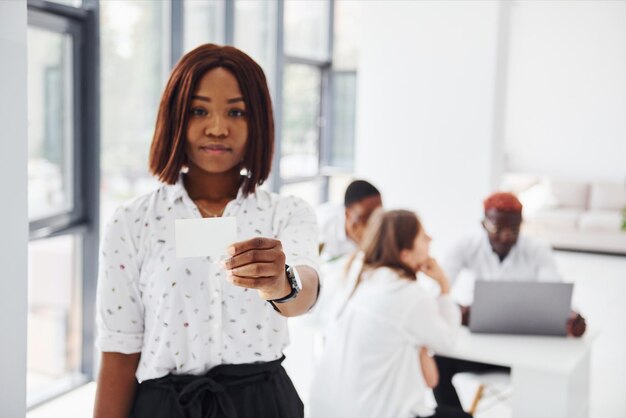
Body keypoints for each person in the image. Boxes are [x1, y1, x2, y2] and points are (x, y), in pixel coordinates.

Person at [93, 44, 320, 418]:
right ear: (175, 117)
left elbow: (305, 292)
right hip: (165, 407)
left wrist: (280, 282)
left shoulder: (287, 212)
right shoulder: (132, 222)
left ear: (258, 121)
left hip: (262, 405)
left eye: (236, 111)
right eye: (199, 110)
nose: (217, 127)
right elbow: (119, 350)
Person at [433, 191, 586, 411]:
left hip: (525, 357)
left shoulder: (536, 249)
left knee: (553, 377)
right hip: (480, 351)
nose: (506, 236)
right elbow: (439, 288)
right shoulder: (467, 245)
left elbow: (554, 292)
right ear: (483, 224)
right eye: (498, 229)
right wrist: (457, 310)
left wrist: (571, 317)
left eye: (514, 230)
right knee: (438, 363)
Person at [309, 209, 470, 418]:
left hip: (328, 410)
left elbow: (430, 374)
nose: (431, 238)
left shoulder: (356, 278)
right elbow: (447, 342)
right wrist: (444, 286)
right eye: (423, 236)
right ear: (405, 254)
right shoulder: (407, 296)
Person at [317, 179, 383, 262]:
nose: (373, 224)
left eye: (377, 216)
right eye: (365, 218)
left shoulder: (384, 228)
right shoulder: (321, 222)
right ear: (347, 214)